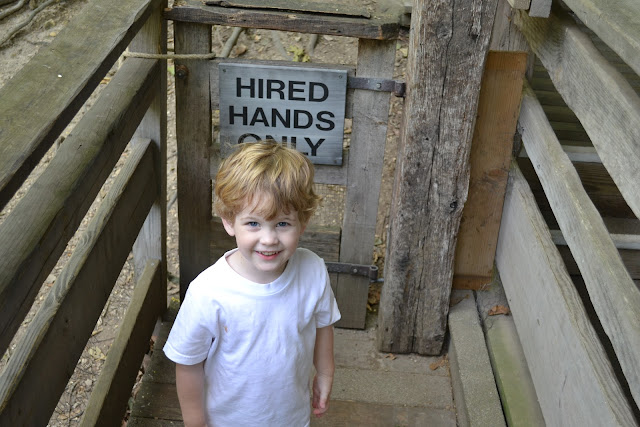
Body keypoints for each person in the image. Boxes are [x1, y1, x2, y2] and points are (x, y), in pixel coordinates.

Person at [164, 141, 341, 427]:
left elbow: (323, 326)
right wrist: (195, 421)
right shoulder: (208, 291)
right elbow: (188, 362)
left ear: (303, 222)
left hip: (291, 418)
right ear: (229, 221)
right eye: (253, 224)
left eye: (283, 224)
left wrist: (325, 373)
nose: (269, 239)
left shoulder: (313, 271)